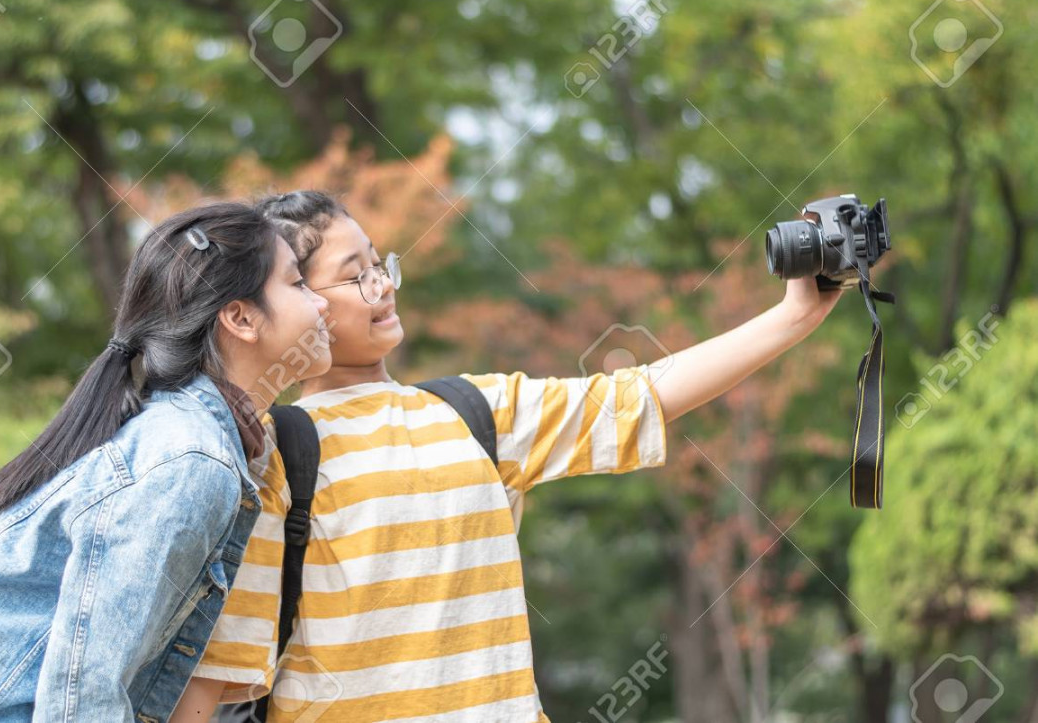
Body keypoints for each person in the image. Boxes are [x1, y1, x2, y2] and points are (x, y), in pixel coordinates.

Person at [174, 190, 843, 723]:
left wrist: (794, 316)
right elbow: (221, 669)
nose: (382, 286)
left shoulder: (473, 413)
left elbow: (637, 397)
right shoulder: (274, 453)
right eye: (355, 276)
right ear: (293, 297)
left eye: (381, 265)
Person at [0, 201, 332, 722]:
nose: (322, 305)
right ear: (241, 318)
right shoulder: (189, 457)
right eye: (298, 284)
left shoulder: (183, 437)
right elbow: (82, 691)